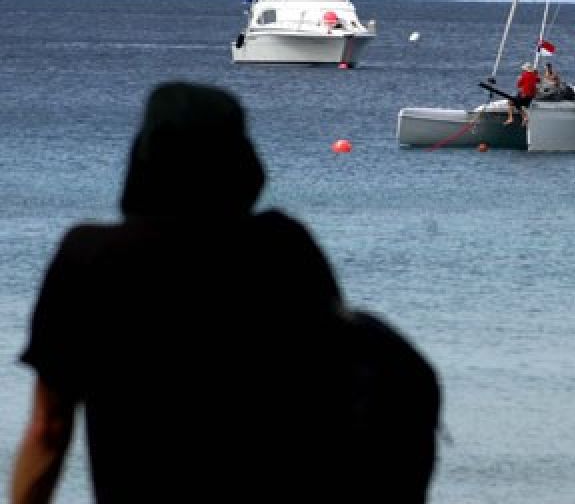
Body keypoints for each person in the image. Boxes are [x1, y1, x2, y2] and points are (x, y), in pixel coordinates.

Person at [12, 82, 439, 504]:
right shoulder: (285, 247)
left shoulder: (89, 257)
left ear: (143, 158)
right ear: (241, 161)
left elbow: (48, 429)